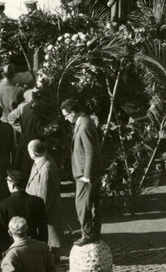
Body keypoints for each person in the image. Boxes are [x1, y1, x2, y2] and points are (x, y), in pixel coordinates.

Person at [61, 99, 102, 246]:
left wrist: (87, 175)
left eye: (66, 115)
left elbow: (91, 152)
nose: (66, 119)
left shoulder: (84, 125)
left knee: (82, 205)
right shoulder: (85, 121)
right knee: (90, 204)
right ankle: (93, 232)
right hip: (85, 171)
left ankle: (88, 234)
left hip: (85, 174)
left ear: (73, 112)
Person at [0, 169, 48, 253]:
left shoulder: (2, 205)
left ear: (12, 185)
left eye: (7, 182)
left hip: (12, 250)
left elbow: (0, 233)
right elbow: (43, 230)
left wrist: (3, 255)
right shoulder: (37, 202)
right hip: (33, 249)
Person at [25, 139, 64, 253]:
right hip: (42, 211)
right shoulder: (40, 161)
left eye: (29, 150)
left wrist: (37, 215)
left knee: (51, 243)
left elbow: (44, 195)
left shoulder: (46, 168)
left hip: (47, 214)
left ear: (34, 153)